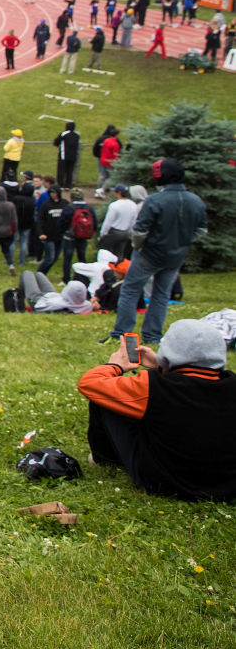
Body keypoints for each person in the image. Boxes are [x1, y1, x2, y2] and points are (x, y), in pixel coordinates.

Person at [77, 319, 236, 502]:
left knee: (107, 398)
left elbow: (90, 383)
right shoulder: (230, 384)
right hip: (227, 487)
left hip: (165, 483)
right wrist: (161, 367)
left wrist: (115, 366)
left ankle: (104, 458)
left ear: (168, 349)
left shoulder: (153, 386)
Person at [112, 158, 208, 344]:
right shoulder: (196, 201)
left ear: (160, 177)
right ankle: (153, 335)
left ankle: (121, 333)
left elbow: (139, 231)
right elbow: (201, 231)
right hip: (176, 255)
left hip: (149, 253)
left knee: (130, 290)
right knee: (161, 293)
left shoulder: (155, 200)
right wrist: (182, 242)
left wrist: (138, 246)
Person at [98, 183, 139, 261]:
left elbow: (108, 222)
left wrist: (102, 234)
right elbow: (133, 222)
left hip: (114, 232)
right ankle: (117, 271)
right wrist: (129, 233)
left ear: (119, 193)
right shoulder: (133, 205)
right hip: (125, 233)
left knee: (105, 254)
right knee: (119, 255)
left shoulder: (114, 205)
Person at [53, 121, 81, 190]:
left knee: (61, 170)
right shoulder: (77, 135)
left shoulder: (64, 134)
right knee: (70, 171)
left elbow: (56, 142)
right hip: (73, 156)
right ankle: (68, 185)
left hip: (63, 155)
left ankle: (60, 185)